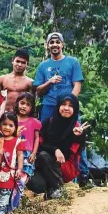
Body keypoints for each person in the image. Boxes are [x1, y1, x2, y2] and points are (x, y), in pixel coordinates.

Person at [33, 32, 89, 186]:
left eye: (58, 42)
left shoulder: (72, 62)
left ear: (62, 44)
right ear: (48, 45)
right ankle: (43, 174)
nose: (55, 45)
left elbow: (77, 84)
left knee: (77, 137)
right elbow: (38, 90)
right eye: (52, 42)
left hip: (68, 108)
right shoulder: (43, 66)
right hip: (49, 106)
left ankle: (82, 174)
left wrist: (68, 103)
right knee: (44, 137)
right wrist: (49, 82)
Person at [36, 94, 89, 199]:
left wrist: (74, 136)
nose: (66, 108)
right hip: (43, 165)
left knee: (44, 155)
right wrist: (55, 149)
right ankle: (49, 189)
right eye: (63, 104)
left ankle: (57, 187)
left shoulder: (77, 128)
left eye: (70, 106)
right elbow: (40, 144)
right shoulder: (48, 123)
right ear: (58, 106)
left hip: (64, 167)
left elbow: (68, 154)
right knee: (36, 185)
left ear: (75, 109)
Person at [10, 93, 41, 209]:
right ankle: (6, 207)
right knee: (9, 180)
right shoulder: (11, 119)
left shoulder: (34, 121)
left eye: (28, 105)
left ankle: (14, 208)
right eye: (22, 103)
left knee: (21, 181)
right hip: (12, 153)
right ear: (17, 103)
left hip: (27, 155)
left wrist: (34, 153)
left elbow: (37, 138)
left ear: (32, 108)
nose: (24, 106)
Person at [0, 113, 24, 214]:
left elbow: (20, 156)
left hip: (8, 176)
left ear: (15, 128)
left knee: (2, 202)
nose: (7, 127)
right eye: (4, 124)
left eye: (11, 125)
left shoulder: (17, 142)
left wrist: (19, 169)